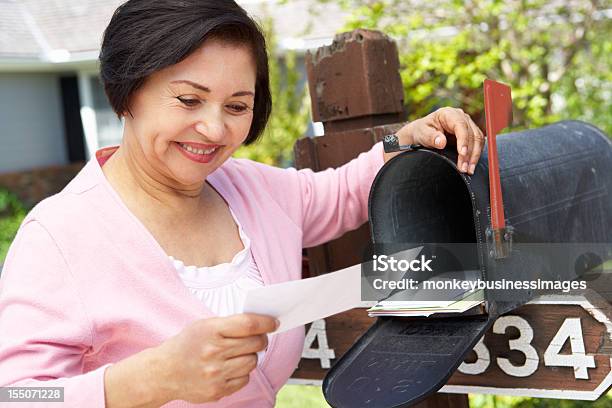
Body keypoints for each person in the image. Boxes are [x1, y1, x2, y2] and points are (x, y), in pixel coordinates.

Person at [0, 1, 484, 407]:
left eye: (236, 106)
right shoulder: (60, 235)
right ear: (127, 92)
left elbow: (340, 195)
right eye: (188, 100)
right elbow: (16, 396)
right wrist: (151, 377)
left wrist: (408, 140)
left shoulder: (252, 189)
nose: (214, 130)